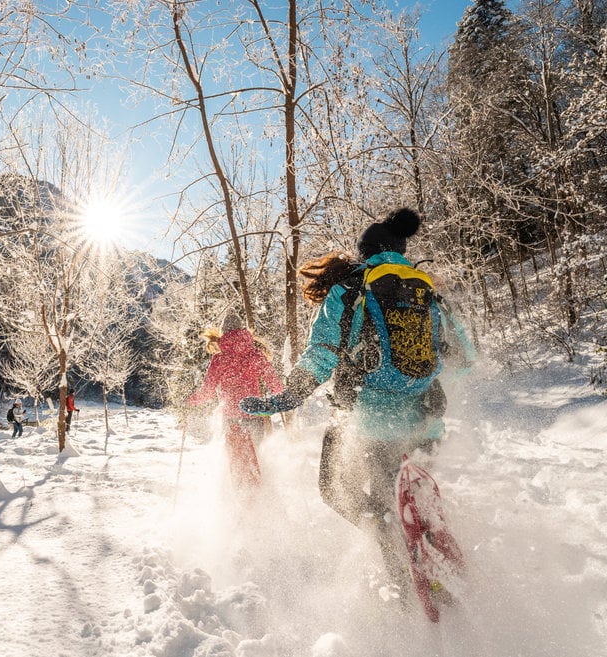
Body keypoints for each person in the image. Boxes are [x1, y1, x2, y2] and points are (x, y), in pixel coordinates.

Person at [240, 207, 474, 593]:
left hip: (364, 424)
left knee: (335, 490)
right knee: (397, 486)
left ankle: (393, 558)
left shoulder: (349, 290)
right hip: (423, 423)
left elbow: (321, 354)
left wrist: (287, 396)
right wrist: (422, 383)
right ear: (400, 250)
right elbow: (464, 357)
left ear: (365, 253)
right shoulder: (426, 291)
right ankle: (429, 545)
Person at [187, 311, 285, 492]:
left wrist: (191, 401)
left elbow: (207, 391)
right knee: (256, 459)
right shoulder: (255, 354)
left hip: (231, 419)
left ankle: (237, 503)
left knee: (236, 465)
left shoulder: (220, 359)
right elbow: (274, 384)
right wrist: (284, 397)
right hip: (254, 417)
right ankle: (261, 498)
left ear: (223, 333)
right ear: (242, 331)